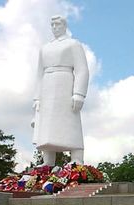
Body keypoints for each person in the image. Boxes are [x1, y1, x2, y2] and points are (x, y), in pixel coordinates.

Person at [31, 15, 89, 166]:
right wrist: (37, 98)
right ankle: (48, 162)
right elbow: (39, 74)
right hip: (47, 87)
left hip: (65, 85)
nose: (55, 27)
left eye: (58, 24)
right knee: (47, 125)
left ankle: (76, 158)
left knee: (70, 122)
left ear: (64, 26)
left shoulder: (73, 44)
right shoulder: (45, 48)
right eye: (53, 25)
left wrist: (79, 93)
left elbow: (82, 70)